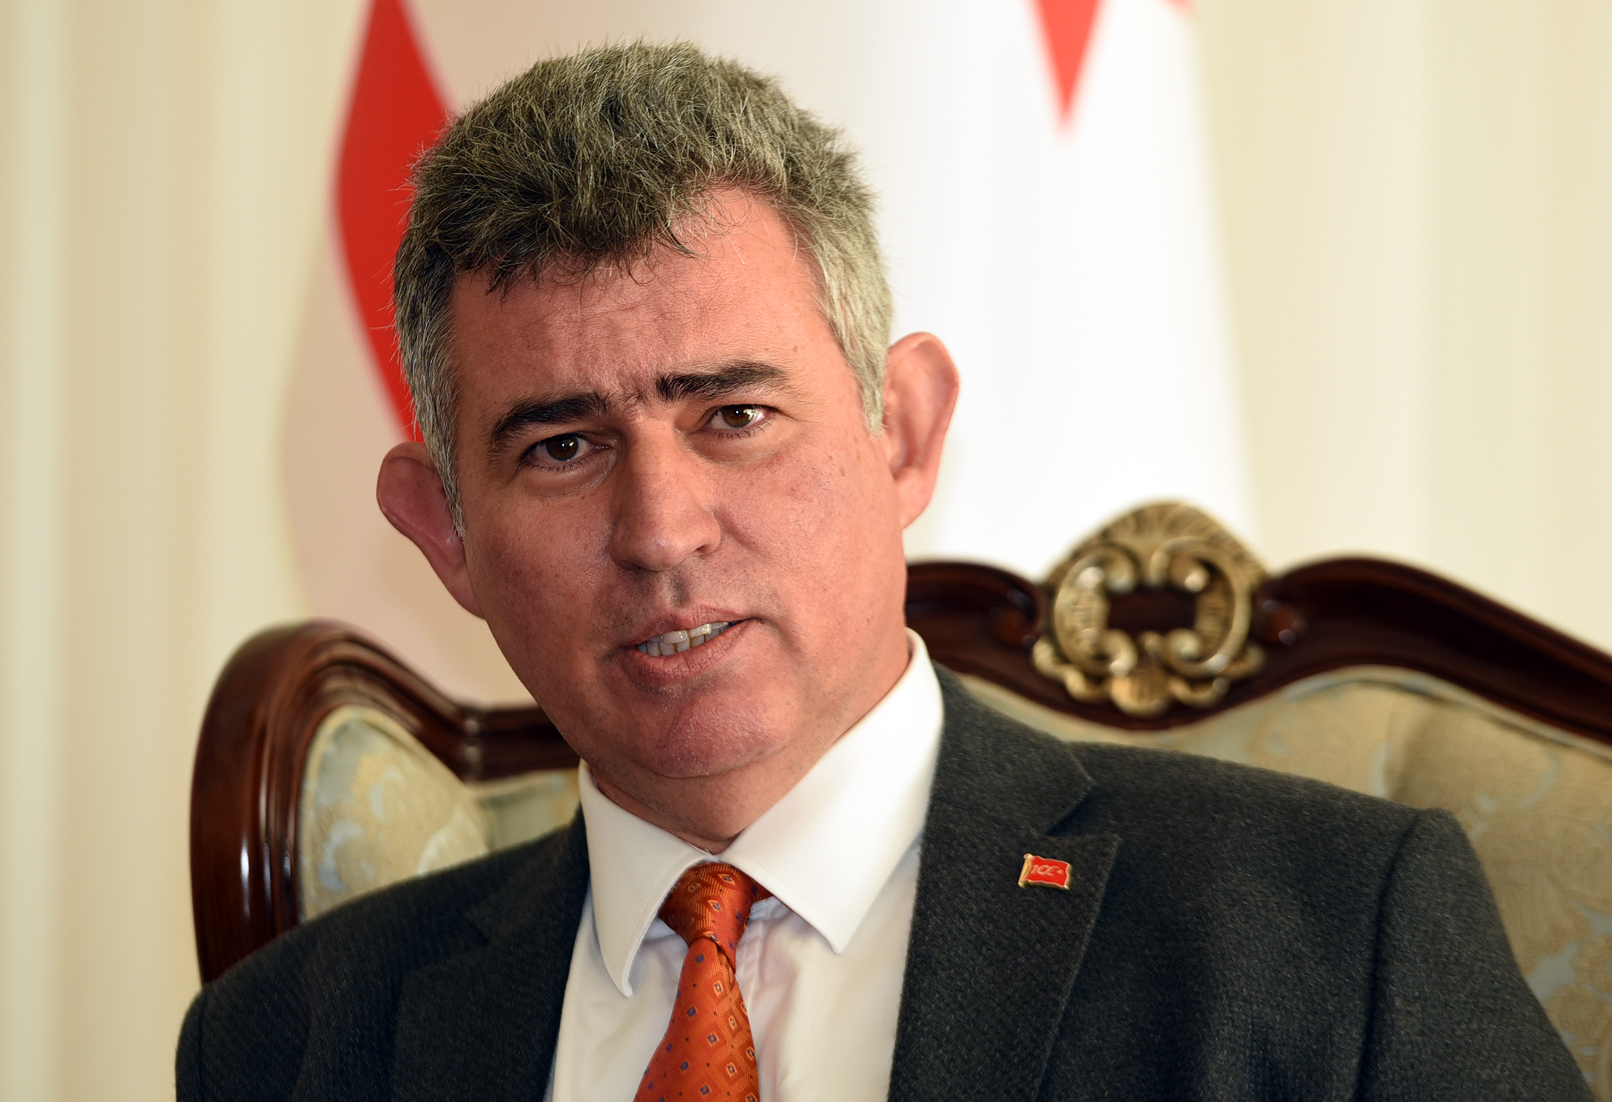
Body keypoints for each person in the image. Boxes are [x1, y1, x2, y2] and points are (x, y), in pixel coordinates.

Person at [176, 40, 1589, 1102]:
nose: (661, 529)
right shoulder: (294, 1043)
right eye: (560, 447)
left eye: (735, 415)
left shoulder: (1330, 932)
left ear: (902, 433)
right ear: (444, 534)